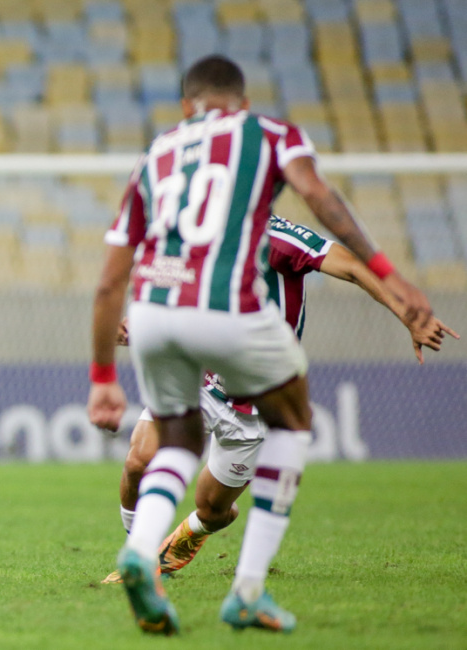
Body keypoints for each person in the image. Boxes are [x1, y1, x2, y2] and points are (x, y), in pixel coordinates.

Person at [86, 55, 434, 635]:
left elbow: (109, 277)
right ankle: (242, 588)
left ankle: (151, 548)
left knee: (202, 494)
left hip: (161, 314)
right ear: (242, 104)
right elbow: (322, 199)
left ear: (185, 107)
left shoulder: (160, 152)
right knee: (293, 425)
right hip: (229, 325)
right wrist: (394, 278)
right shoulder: (270, 133)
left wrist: (102, 374)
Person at [100, 215, 457, 585]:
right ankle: (141, 559)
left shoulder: (280, 240)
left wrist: (408, 315)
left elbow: (351, 266)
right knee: (139, 460)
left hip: (257, 403)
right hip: (198, 377)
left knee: (212, 509)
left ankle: (191, 536)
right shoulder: (192, 234)